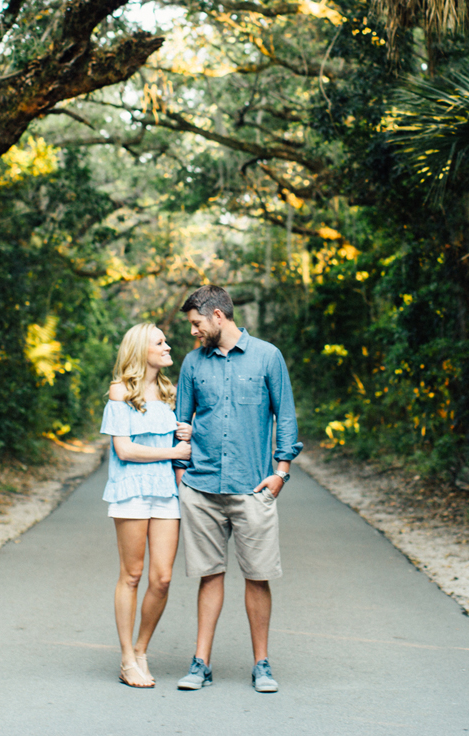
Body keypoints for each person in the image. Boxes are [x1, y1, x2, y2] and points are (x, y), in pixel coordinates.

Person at [171, 285, 302, 694]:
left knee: (257, 576)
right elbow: (182, 421)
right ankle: (200, 663)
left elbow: (286, 415)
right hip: (202, 487)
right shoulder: (193, 363)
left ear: (217, 317)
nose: (193, 332)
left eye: (196, 324)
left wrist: (281, 472)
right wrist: (180, 473)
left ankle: (261, 664)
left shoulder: (267, 356)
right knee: (209, 576)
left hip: (252, 487)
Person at [100, 322, 192, 688]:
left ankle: (141, 649)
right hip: (131, 489)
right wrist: (172, 450)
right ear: (142, 350)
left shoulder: (170, 392)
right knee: (132, 575)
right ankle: (126, 659)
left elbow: (182, 436)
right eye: (160, 342)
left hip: (165, 492)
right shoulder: (120, 392)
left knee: (163, 578)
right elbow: (124, 449)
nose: (168, 346)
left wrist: (187, 432)